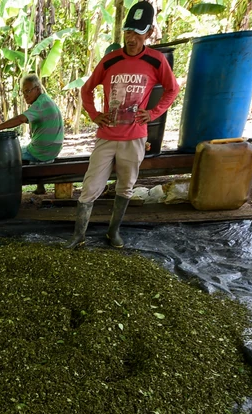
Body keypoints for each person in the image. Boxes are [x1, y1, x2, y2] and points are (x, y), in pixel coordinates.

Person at [68, 1, 179, 249]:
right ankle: (78, 235)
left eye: (138, 33)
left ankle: (113, 232)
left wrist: (153, 113)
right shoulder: (110, 61)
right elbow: (86, 90)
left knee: (126, 186)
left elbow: (173, 89)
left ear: (149, 33)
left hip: (135, 137)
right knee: (91, 186)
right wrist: (95, 114)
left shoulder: (156, 60)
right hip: (107, 135)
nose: (132, 38)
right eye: (128, 32)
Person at [0, 74, 64, 165]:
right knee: (19, 148)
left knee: (2, 154)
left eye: (28, 91)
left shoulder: (40, 103)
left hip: (42, 152)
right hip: (52, 151)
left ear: (37, 89)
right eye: (23, 92)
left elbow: (20, 119)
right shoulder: (46, 100)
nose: (25, 95)